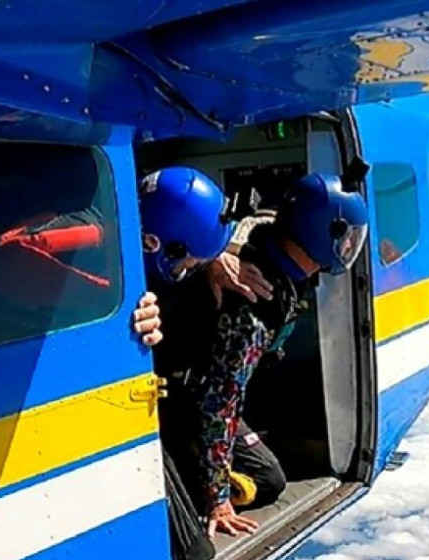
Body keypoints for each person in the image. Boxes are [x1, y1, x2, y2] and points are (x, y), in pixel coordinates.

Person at [139, 164, 370, 540]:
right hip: (186, 400)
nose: (349, 249)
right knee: (268, 479)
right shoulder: (258, 302)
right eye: (346, 239)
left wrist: (219, 256)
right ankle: (187, 487)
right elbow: (218, 403)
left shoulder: (268, 246)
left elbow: (249, 222)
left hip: (201, 386)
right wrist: (217, 499)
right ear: (320, 233)